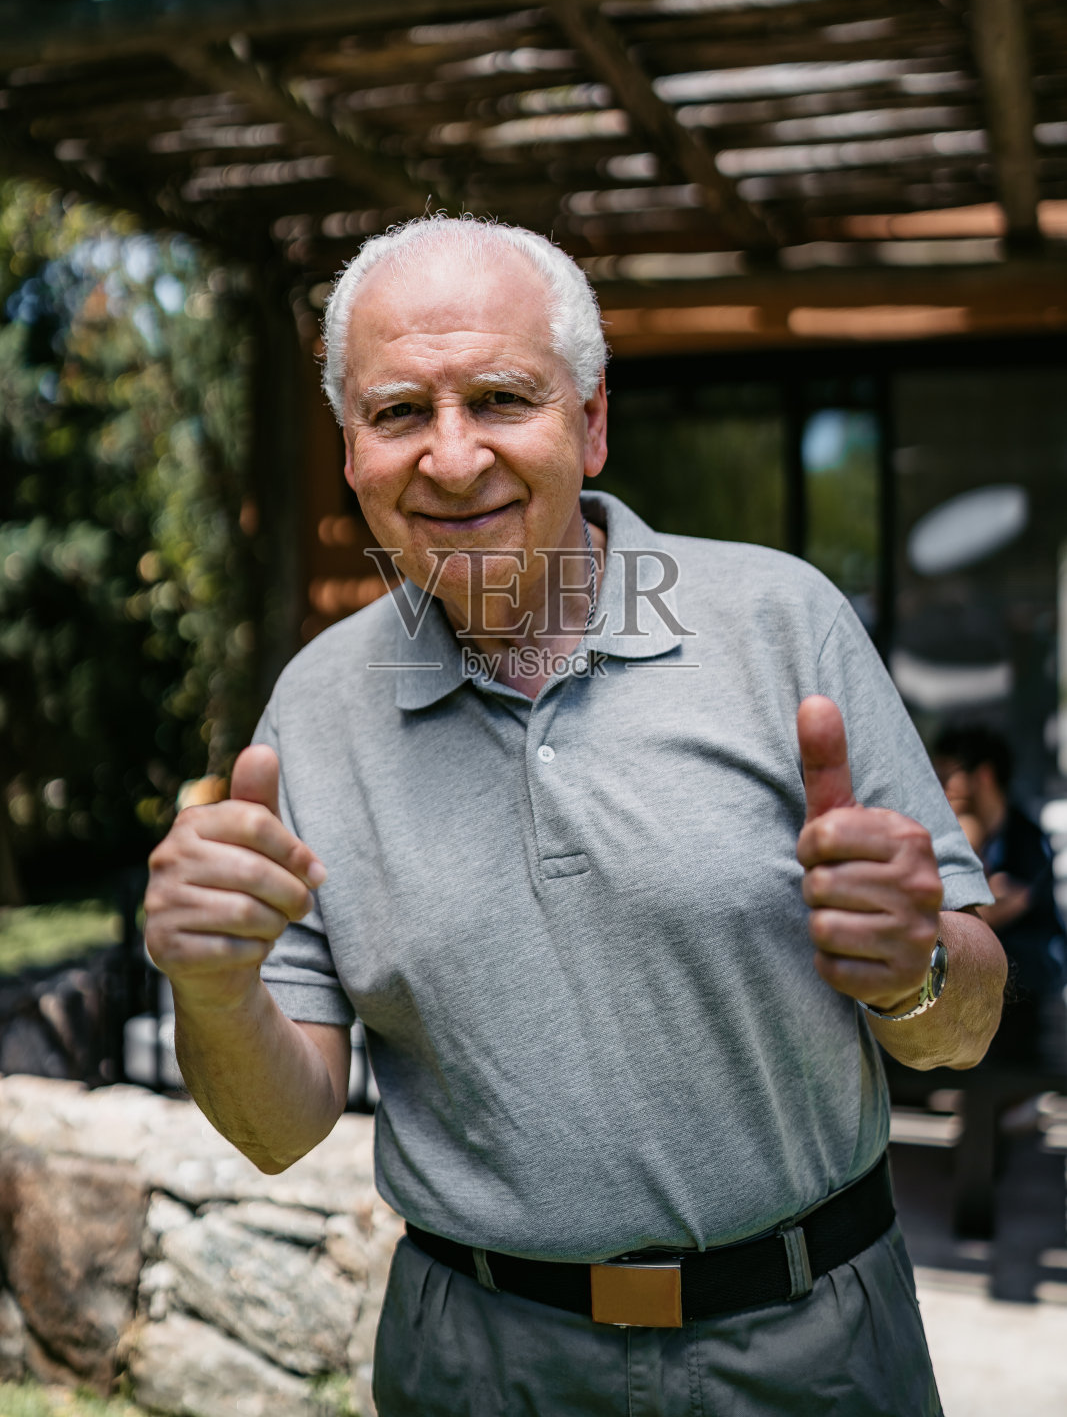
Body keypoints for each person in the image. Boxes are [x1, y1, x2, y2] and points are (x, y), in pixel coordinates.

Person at [145, 217, 1006, 1417]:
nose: (452, 460)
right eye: (398, 413)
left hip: (810, 1351)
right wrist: (214, 986)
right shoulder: (311, 710)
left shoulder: (779, 622)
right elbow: (278, 1130)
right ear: (350, 452)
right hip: (476, 1366)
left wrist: (912, 965)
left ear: (590, 424)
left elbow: (959, 1028)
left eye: (502, 397)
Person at [934, 723, 1065, 1062]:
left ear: (984, 776)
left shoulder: (1027, 840)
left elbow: (981, 914)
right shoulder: (954, 833)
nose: (942, 788)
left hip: (1028, 991)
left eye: (949, 775)